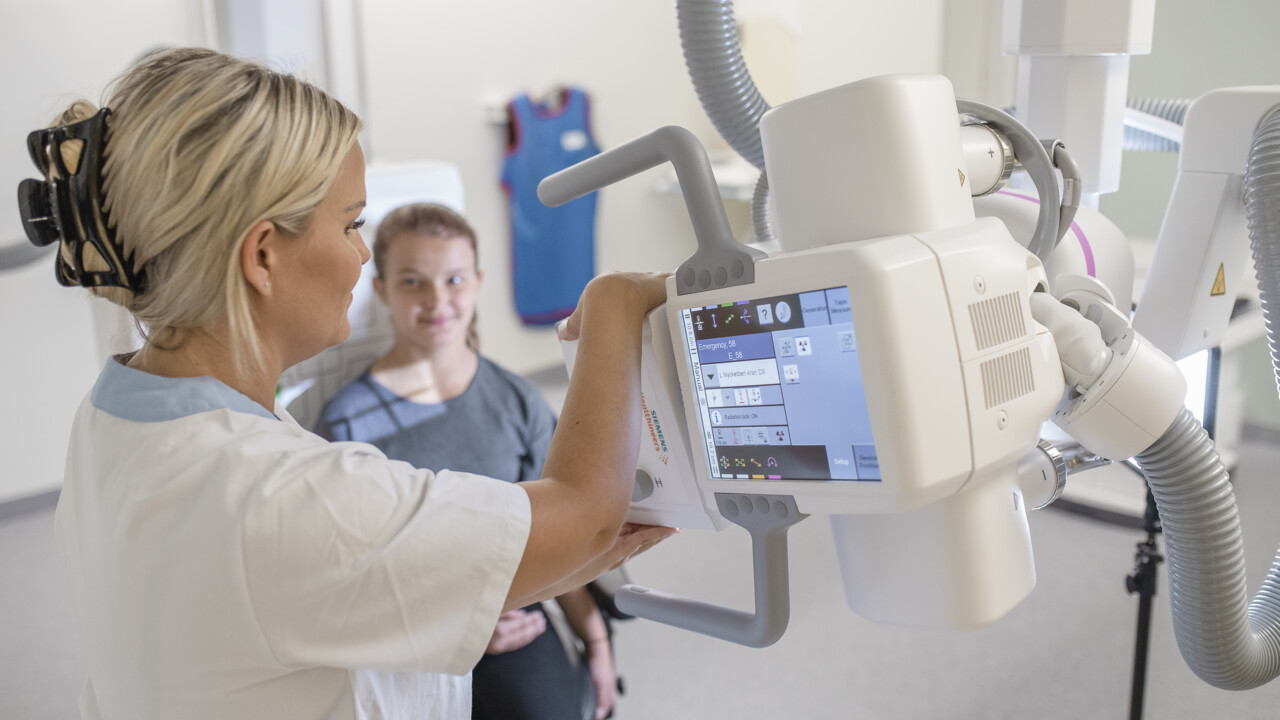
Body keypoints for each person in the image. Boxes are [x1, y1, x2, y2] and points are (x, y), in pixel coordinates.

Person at [21, 47, 673, 720]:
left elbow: (357, 587)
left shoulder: (111, 417)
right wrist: (614, 303)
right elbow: (584, 513)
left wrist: (589, 543)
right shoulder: (283, 498)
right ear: (263, 255)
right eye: (351, 223)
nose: (362, 253)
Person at [315, 203, 617, 720]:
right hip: (406, 630)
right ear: (382, 289)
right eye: (413, 282)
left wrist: (596, 640)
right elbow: (348, 578)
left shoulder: (517, 400)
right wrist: (449, 627)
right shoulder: (346, 425)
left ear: (477, 283)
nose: (437, 300)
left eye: (454, 280)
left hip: (514, 608)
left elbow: (561, 536)